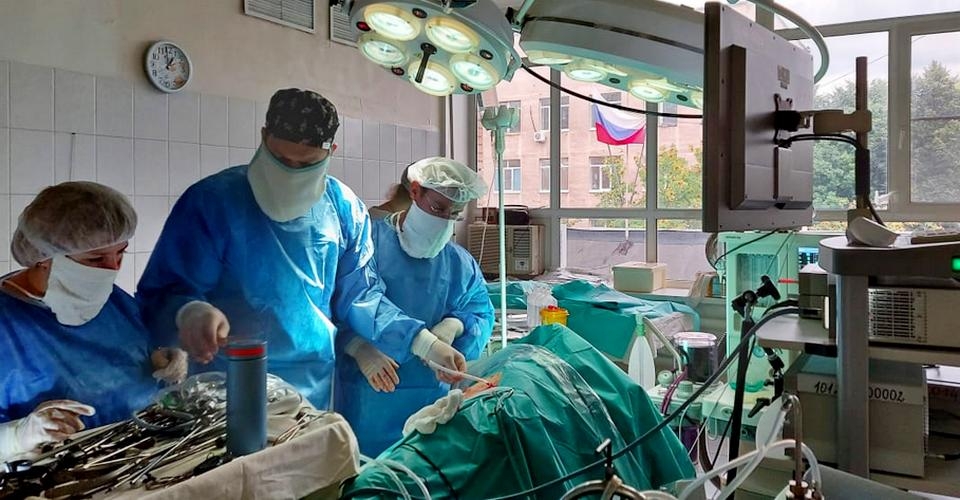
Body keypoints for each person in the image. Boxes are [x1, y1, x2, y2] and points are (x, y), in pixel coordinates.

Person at [137, 88, 466, 409]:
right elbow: (164, 291)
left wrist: (423, 342)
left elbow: (361, 297)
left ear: (331, 151)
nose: (290, 172)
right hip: (224, 387)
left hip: (309, 390)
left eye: (306, 164)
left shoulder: (343, 209)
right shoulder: (213, 202)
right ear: (264, 136)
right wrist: (188, 311)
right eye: (280, 159)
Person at [0, 182, 184, 460]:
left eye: (121, 253)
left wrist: (161, 358)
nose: (112, 269)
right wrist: (17, 436)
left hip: (144, 452)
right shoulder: (7, 322)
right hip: (55, 471)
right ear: (43, 257)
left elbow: (132, 355)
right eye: (96, 258)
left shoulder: (113, 301)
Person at [335, 156, 494, 456]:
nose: (445, 220)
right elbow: (342, 303)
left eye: (455, 214)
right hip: (367, 403)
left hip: (431, 408)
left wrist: (454, 326)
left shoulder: (458, 262)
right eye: (438, 208)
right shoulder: (367, 246)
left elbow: (481, 311)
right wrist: (357, 347)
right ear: (415, 191)